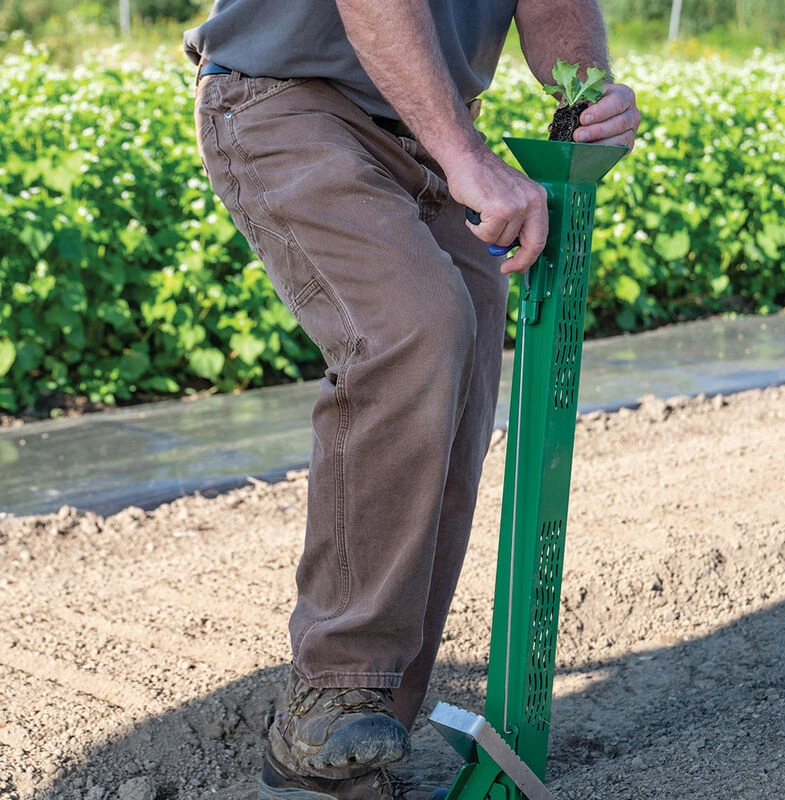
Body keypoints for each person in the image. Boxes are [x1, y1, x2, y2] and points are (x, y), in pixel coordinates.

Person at [184, 2, 640, 798]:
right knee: (414, 327)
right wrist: (465, 153)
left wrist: (590, 90)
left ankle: (360, 743)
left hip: (428, 132)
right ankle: (331, 693)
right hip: (291, 100)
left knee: (455, 393)